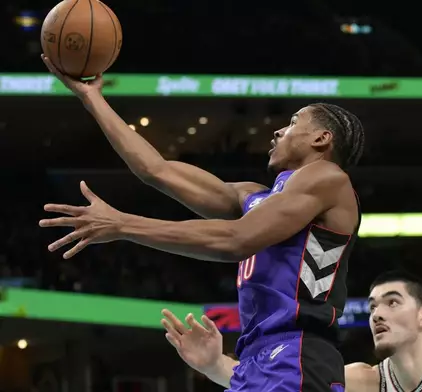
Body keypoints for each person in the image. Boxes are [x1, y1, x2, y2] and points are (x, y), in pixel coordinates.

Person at [39, 55, 365, 391]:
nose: (279, 129)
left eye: (294, 122)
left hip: (297, 354)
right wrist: (92, 98)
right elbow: (157, 170)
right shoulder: (256, 197)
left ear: (322, 139)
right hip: (258, 358)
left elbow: (236, 240)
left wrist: (123, 225)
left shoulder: (329, 178)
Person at [161, 270, 422, 392]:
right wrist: (212, 366)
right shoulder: (363, 381)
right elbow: (270, 384)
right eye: (372, 307)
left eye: (393, 303)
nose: (378, 314)